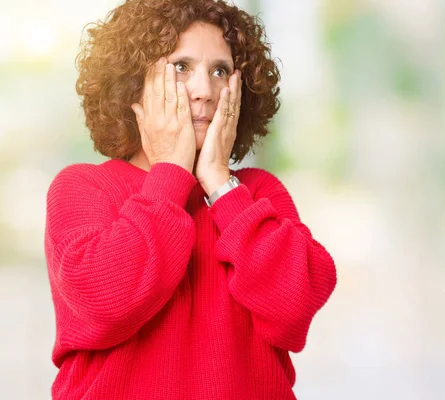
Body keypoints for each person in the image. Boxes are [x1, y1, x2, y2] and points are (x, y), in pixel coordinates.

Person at [44, 0, 337, 398]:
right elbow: (105, 307)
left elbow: (294, 308)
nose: (205, 91)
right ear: (133, 84)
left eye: (220, 71)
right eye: (181, 67)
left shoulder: (256, 193)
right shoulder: (82, 187)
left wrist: (219, 182)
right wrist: (171, 174)